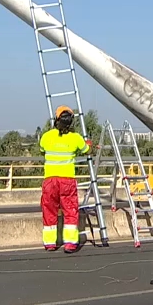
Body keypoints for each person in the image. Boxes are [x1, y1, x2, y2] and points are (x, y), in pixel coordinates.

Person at [39, 105, 91, 253]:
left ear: (56, 119)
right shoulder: (76, 138)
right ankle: (70, 243)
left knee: (49, 210)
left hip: (50, 180)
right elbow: (86, 150)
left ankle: (50, 243)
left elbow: (42, 149)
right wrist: (89, 144)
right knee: (70, 210)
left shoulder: (46, 137)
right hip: (67, 180)